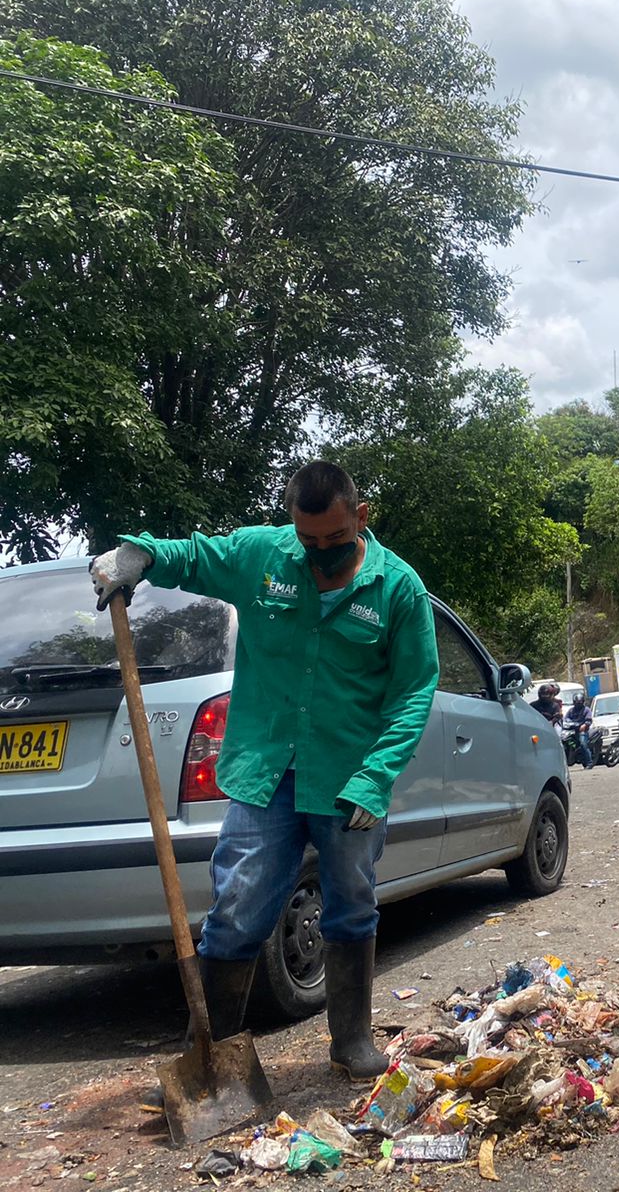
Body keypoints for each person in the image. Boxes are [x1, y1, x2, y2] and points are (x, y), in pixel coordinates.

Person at [89, 461, 439, 1106]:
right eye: (309, 543)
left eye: (334, 541)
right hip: (266, 772)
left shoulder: (399, 589)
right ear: (294, 529)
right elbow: (191, 556)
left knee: (351, 902)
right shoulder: (264, 556)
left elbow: (414, 692)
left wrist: (376, 777)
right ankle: (211, 1054)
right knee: (238, 904)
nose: (321, 556)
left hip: (349, 781)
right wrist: (138, 554)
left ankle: (351, 1038)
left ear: (360, 518)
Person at [563, 692, 595, 769]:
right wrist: (567, 723)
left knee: (583, 744)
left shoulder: (586, 710)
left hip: (582, 731)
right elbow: (566, 719)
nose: (578, 704)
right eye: (576, 703)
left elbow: (589, 720)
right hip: (572, 730)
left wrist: (584, 725)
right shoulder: (571, 710)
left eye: (580, 703)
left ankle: (589, 762)